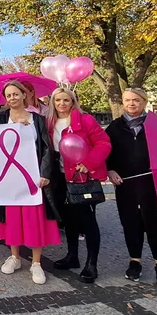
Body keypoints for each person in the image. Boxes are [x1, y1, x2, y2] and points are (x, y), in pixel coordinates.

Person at [0, 80, 58, 284]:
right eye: (8, 95)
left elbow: (47, 148)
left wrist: (45, 173)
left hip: (33, 177)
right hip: (10, 177)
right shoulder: (0, 118)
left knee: (33, 218)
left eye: (15, 94)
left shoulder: (37, 119)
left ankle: (36, 263)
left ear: (24, 95)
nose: (12, 98)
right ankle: (15, 257)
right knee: (12, 217)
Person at [106, 88, 157, 287]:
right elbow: (107, 152)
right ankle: (134, 261)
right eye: (127, 100)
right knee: (130, 223)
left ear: (144, 102)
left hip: (153, 184)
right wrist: (110, 170)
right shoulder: (115, 127)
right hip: (125, 184)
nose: (131, 104)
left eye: (136, 100)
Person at [46, 88, 111, 283]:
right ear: (53, 102)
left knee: (87, 221)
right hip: (58, 177)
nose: (62, 103)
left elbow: (104, 143)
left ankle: (92, 264)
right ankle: (72, 256)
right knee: (68, 220)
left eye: (66, 100)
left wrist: (89, 163)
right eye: (58, 100)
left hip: (81, 176)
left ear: (73, 102)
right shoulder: (49, 123)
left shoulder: (85, 120)